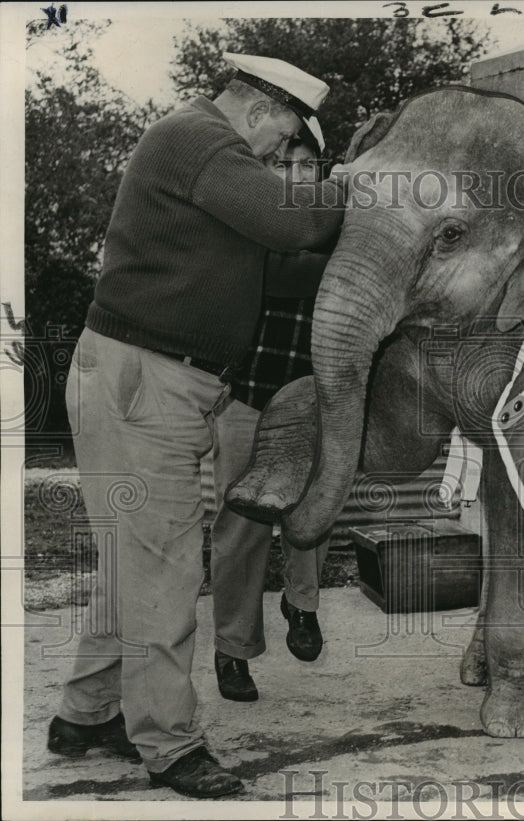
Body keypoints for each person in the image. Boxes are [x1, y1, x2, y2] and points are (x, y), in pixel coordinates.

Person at [47, 52, 344, 798]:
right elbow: (296, 221)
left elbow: (283, 267)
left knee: (137, 557)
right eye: (283, 142)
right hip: (145, 377)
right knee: (167, 566)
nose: (281, 158)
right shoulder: (198, 138)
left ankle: (86, 717)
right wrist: (364, 182)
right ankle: (171, 746)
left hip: (152, 378)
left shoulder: (209, 160)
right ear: (260, 108)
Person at [211, 127, 332, 703]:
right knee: (242, 526)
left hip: (314, 397)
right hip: (249, 394)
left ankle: (301, 603)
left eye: (308, 167)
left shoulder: (337, 226)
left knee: (312, 511)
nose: (297, 177)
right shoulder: (249, 226)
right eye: (285, 166)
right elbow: (281, 278)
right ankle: (233, 652)